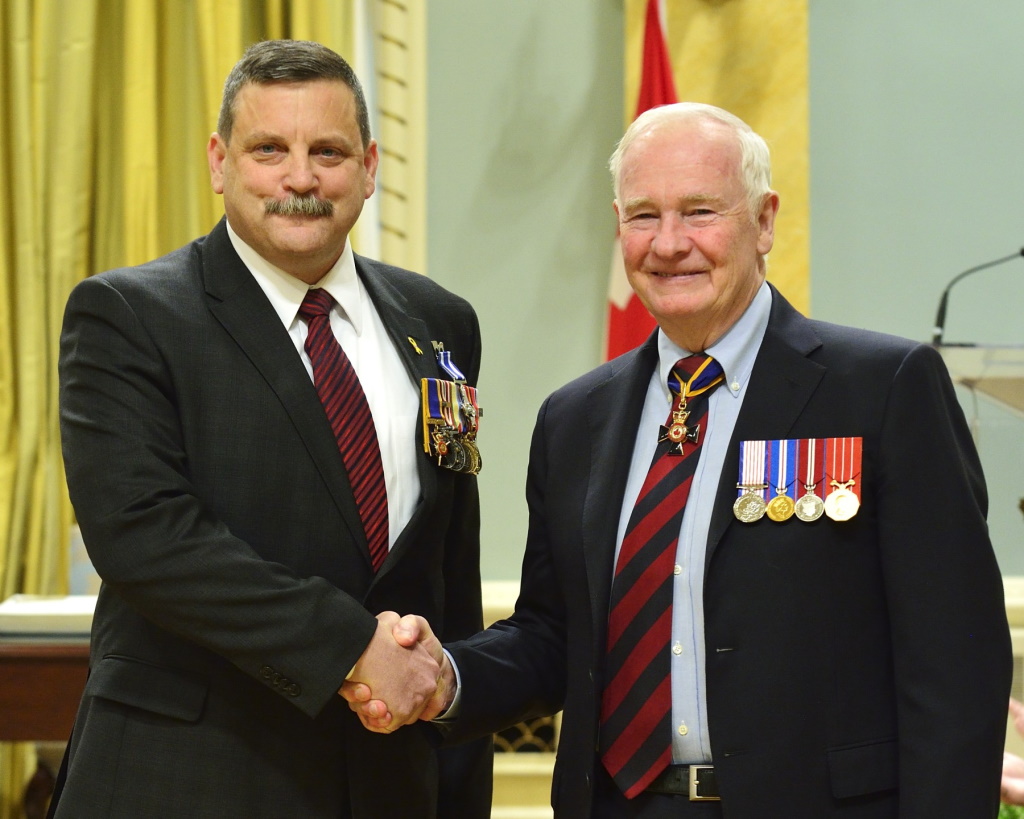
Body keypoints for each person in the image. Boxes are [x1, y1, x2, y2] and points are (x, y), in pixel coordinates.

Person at [346, 102, 1013, 817]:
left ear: (763, 221)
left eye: (700, 211)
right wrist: (445, 675)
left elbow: (956, 662)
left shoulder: (880, 389)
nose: (669, 244)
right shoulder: (575, 420)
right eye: (643, 216)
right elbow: (552, 636)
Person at [50, 39, 491, 818]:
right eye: (269, 149)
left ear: (369, 165)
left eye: (328, 151)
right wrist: (353, 646)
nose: (301, 178)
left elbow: (447, 561)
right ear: (220, 162)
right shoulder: (129, 316)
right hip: (192, 775)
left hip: (391, 777)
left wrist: (453, 752)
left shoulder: (439, 321)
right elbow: (147, 537)